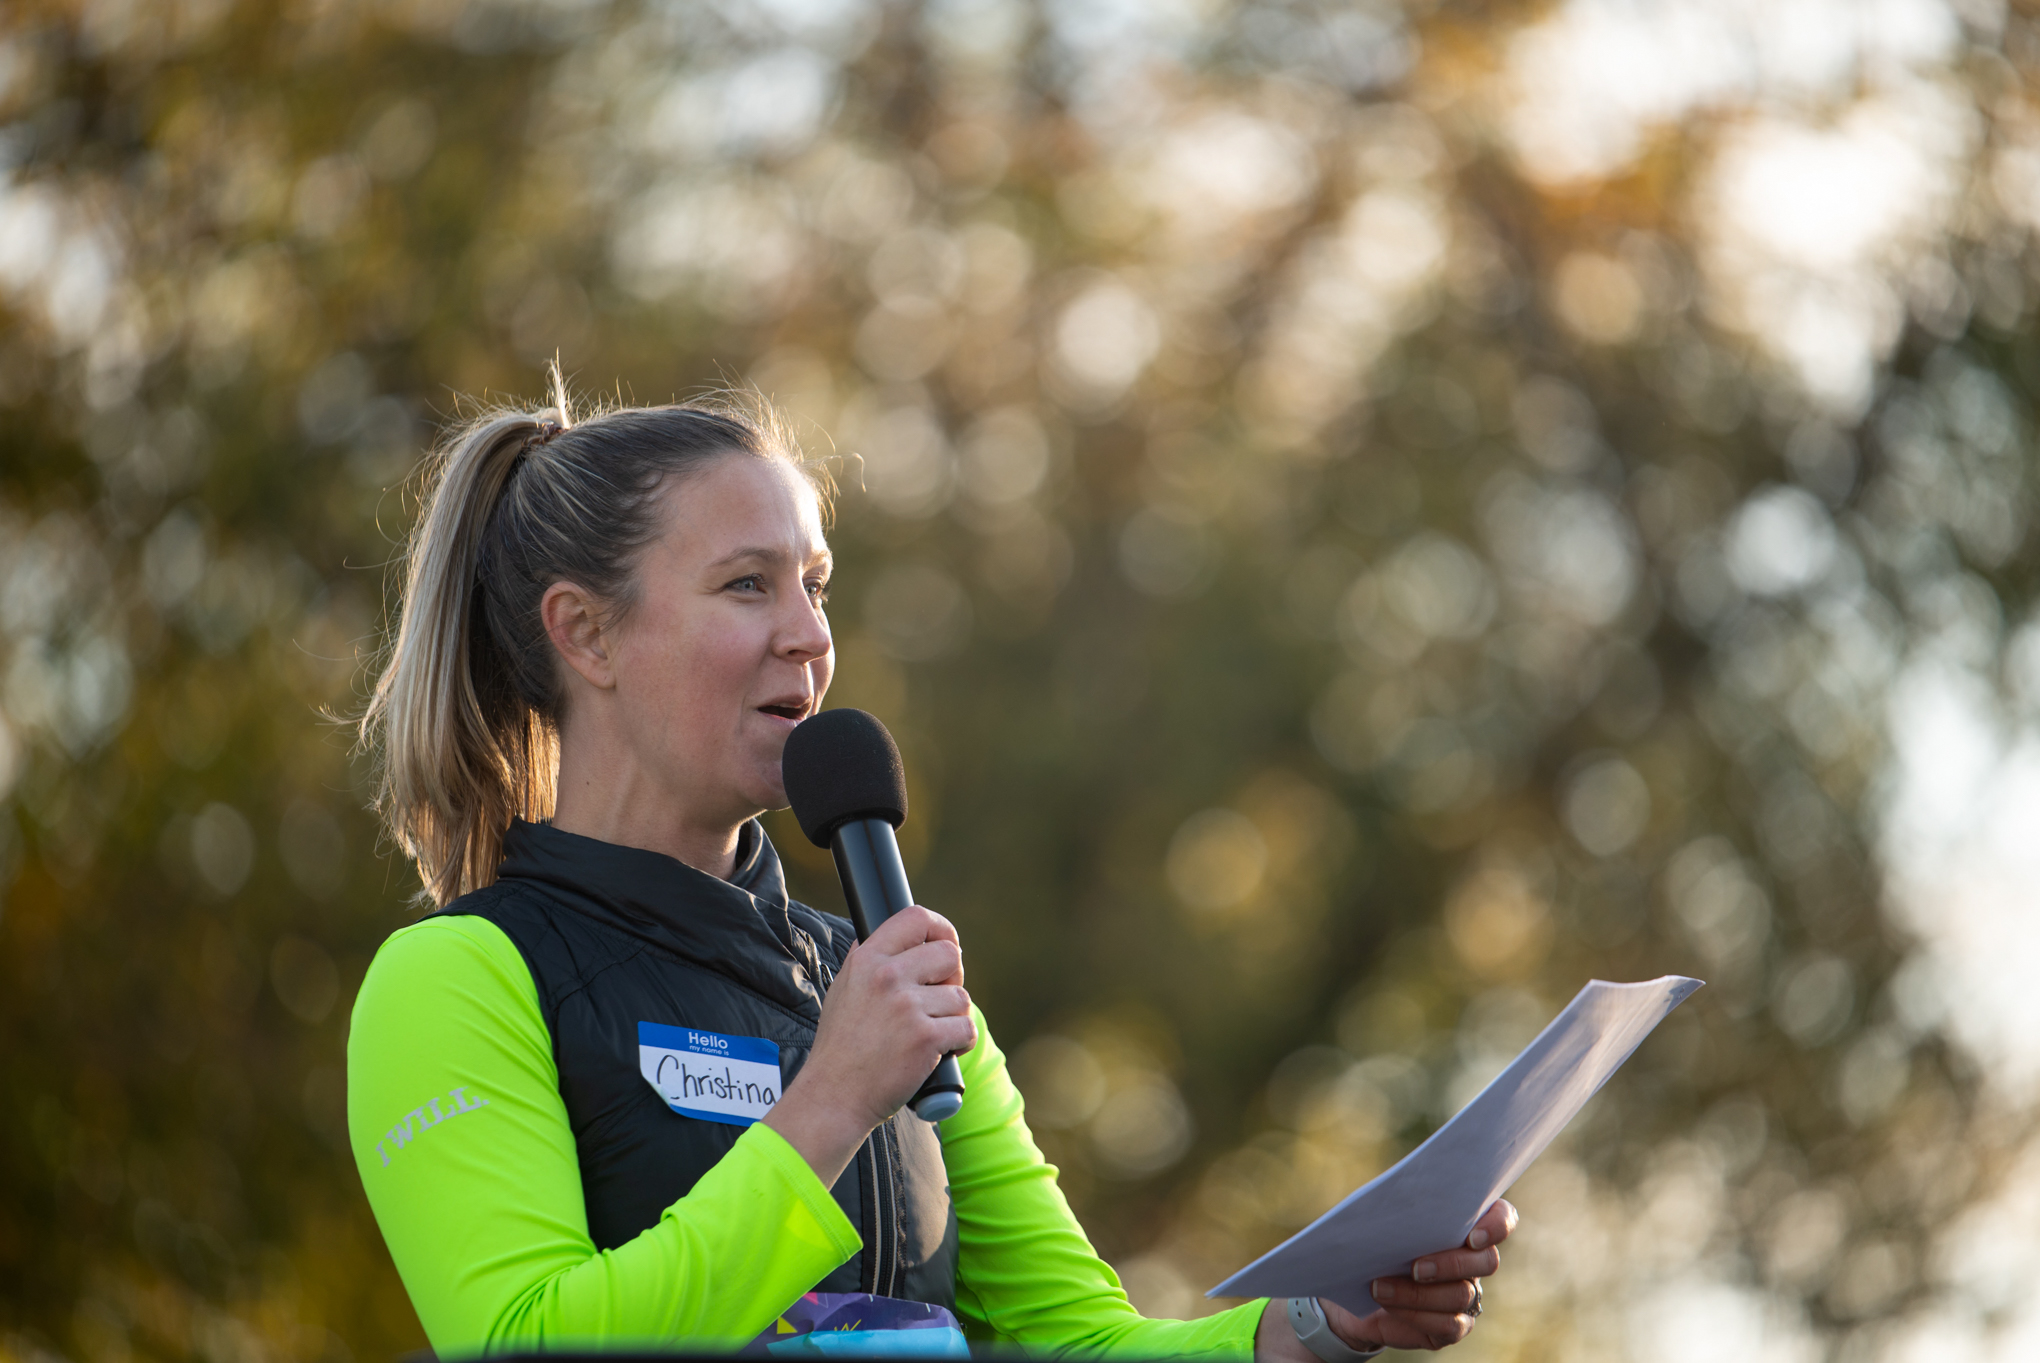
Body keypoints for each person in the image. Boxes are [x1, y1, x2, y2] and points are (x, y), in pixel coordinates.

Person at [347, 384, 1517, 1359]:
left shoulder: (883, 979)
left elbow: (1078, 1340)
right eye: (747, 584)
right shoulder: (459, 979)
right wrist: (830, 1102)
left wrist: (1317, 1323)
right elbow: (527, 1341)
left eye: (815, 584)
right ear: (586, 633)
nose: (808, 634)